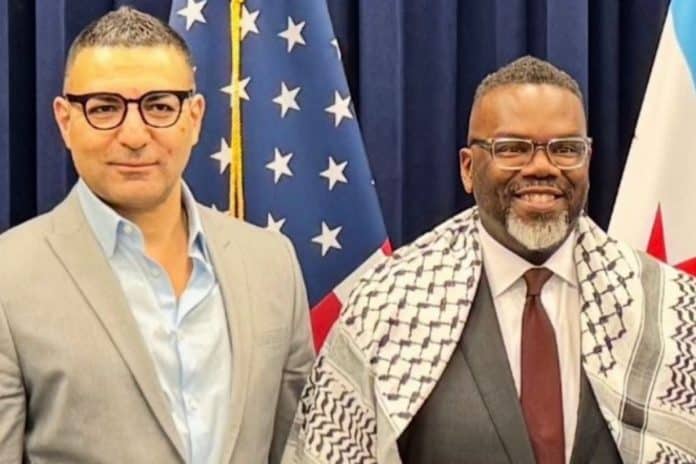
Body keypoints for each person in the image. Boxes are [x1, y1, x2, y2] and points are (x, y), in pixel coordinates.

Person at [283, 56, 696, 464]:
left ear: (587, 161)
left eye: (565, 149)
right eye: (512, 149)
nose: (542, 167)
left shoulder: (667, 306)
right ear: (468, 168)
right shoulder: (388, 301)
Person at [0, 7, 314, 463]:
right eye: (104, 108)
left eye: (160, 106)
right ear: (65, 121)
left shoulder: (272, 264)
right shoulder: (8, 278)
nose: (133, 135)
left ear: (195, 117)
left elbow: (298, 447)